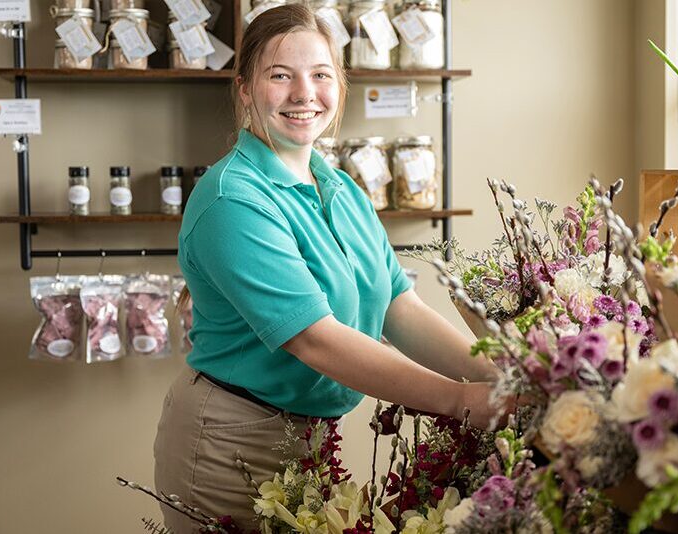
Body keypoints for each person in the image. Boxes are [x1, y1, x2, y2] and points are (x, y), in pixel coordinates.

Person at [153, 5, 511, 532]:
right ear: (246, 88)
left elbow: (398, 306)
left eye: (320, 75)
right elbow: (314, 340)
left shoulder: (341, 188)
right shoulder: (233, 199)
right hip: (229, 447)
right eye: (280, 76)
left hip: (313, 445)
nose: (304, 94)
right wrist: (460, 400)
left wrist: (500, 375)